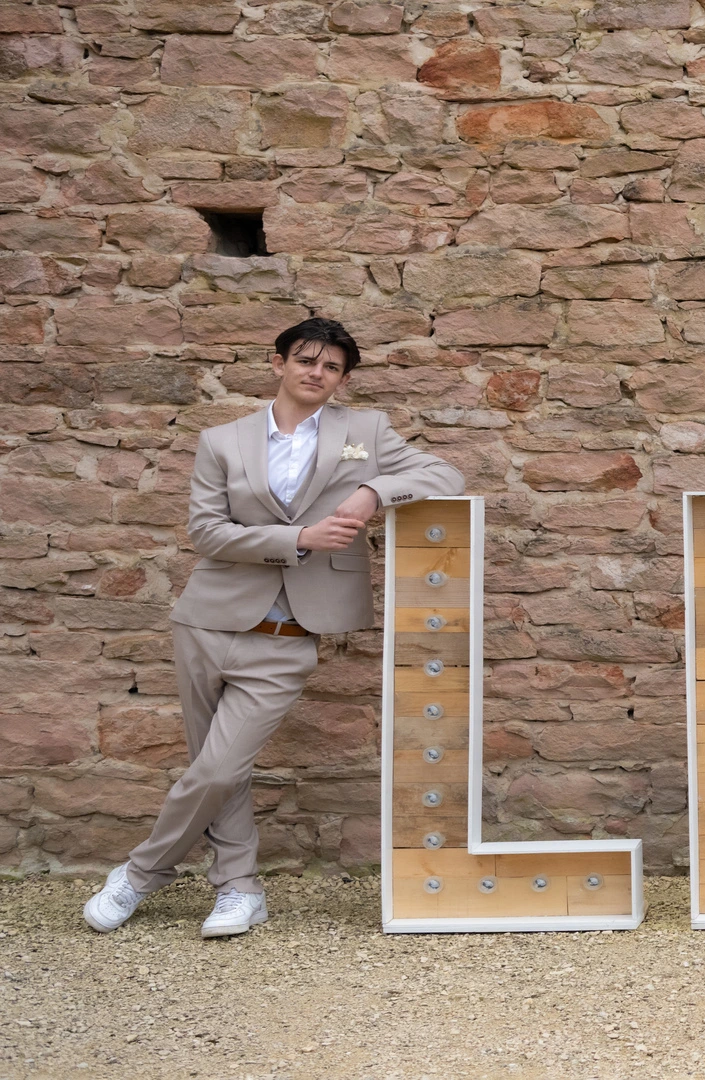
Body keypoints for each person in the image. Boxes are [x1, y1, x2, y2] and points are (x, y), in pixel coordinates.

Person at [84, 318, 465, 938]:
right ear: (279, 362)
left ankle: (138, 874)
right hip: (207, 620)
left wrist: (372, 490)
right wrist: (299, 539)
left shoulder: (364, 433)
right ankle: (238, 888)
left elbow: (446, 476)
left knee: (214, 768)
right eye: (306, 360)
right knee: (218, 767)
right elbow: (206, 531)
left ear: (343, 379)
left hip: (288, 636)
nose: (317, 373)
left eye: (333, 367)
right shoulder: (223, 440)